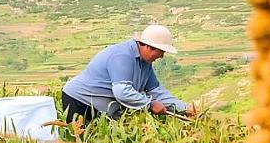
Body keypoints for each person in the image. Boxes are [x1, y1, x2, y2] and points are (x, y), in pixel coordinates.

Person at [61, 24, 193, 122]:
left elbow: (156, 90)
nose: (162, 56)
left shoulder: (145, 63)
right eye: (161, 51)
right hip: (79, 101)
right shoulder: (123, 56)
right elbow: (122, 92)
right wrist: (150, 104)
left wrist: (185, 108)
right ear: (148, 46)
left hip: (101, 107)